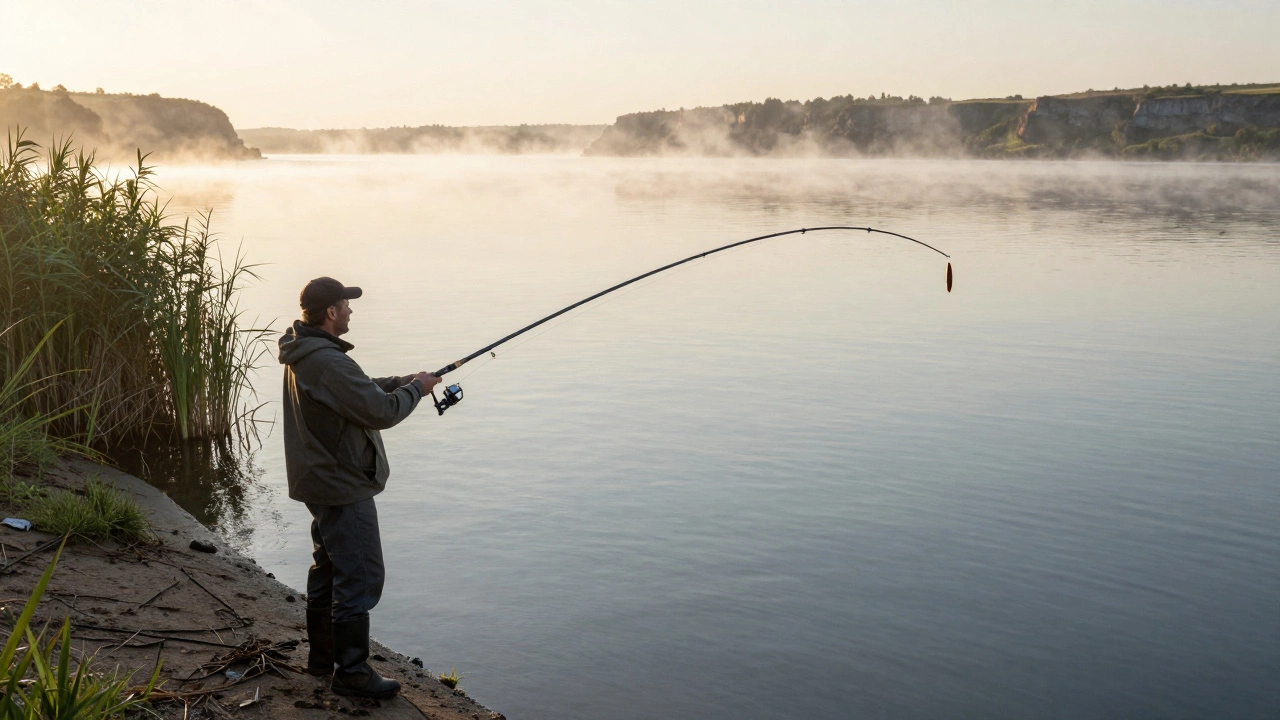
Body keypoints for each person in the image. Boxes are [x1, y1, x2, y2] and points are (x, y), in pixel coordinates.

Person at [278, 277, 440, 699]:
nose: (351, 311)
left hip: (320, 478)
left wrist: (402, 380)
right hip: (341, 484)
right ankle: (351, 672)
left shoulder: (309, 351)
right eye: (346, 305)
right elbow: (380, 412)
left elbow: (359, 391)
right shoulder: (327, 360)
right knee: (360, 573)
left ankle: (322, 660)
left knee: (329, 566)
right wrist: (416, 391)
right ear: (331, 313)